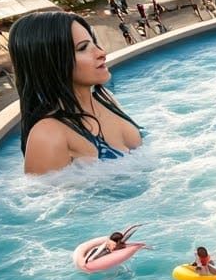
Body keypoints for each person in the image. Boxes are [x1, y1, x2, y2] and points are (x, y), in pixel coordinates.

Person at [8, 11, 142, 175]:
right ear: (51, 62)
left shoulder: (106, 101)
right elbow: (46, 198)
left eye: (94, 43)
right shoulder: (47, 135)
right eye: (83, 48)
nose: (101, 53)